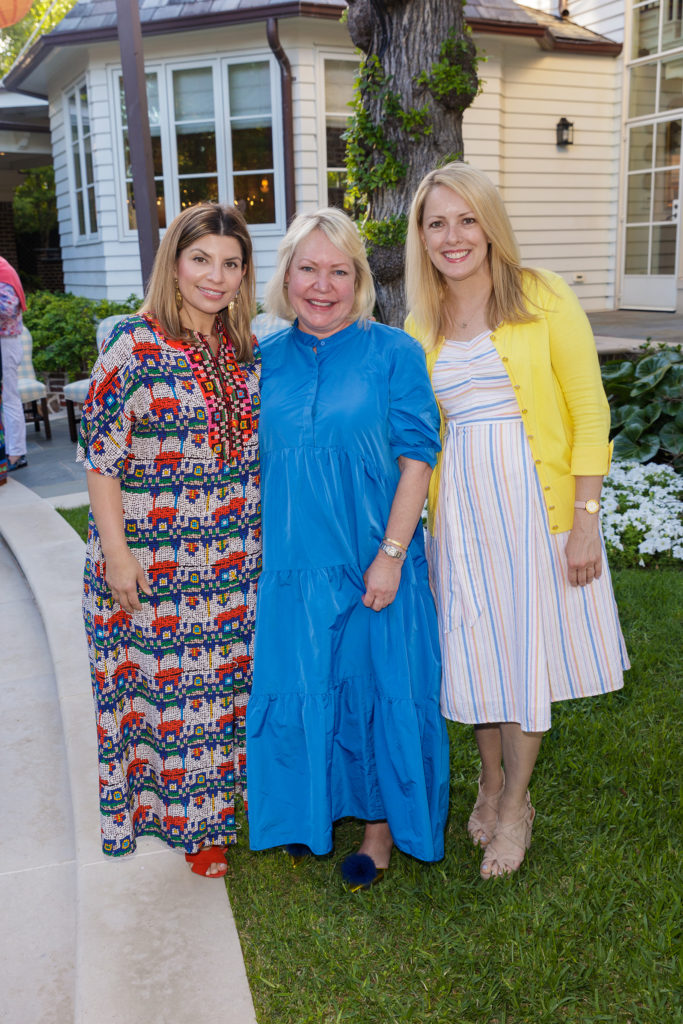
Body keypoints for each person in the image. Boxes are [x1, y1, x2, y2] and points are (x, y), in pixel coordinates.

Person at [405, 162, 629, 879]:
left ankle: (514, 807)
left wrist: (586, 520)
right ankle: (488, 779)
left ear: (489, 223)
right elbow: (417, 433)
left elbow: (589, 410)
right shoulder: (419, 318)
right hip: (461, 515)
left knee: (523, 649)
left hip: (536, 508)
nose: (452, 236)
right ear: (421, 235)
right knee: (475, 648)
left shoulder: (541, 295)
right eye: (436, 222)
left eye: (466, 218)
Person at [246, 208, 449, 889]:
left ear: (359, 279)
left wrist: (392, 553)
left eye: (339, 270)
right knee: (305, 682)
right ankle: (311, 810)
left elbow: (417, 457)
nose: (322, 285)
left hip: (371, 555)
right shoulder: (260, 358)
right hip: (293, 561)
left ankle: (378, 833)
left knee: (376, 687)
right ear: (286, 276)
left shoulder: (393, 352)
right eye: (308, 268)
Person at [78, 203, 261, 878]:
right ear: (174, 265)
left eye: (231, 263)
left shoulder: (241, 351)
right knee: (167, 704)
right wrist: (118, 556)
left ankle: (221, 817)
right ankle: (191, 833)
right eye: (201, 260)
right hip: (152, 565)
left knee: (221, 699)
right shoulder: (134, 345)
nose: (217, 277)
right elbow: (100, 457)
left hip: (233, 563)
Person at [0, 256, 28, 471]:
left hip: (5, 343)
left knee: (9, 398)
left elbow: (8, 307)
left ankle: (16, 454)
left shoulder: (4, 272)